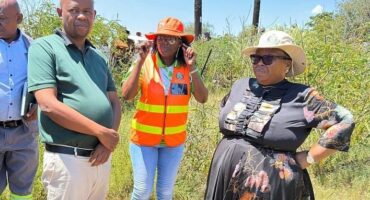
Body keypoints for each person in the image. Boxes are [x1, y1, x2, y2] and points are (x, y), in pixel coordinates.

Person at [204, 30, 355, 200]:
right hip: (225, 172)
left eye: (268, 58)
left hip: (268, 186)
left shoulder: (302, 96)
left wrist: (307, 159)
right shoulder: (241, 85)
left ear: (287, 64)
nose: (259, 63)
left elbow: (345, 120)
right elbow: (225, 108)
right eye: (255, 58)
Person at [27, 0, 121, 199]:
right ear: (60, 12)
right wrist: (100, 132)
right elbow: (48, 105)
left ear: (94, 15)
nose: (81, 16)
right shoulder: (44, 47)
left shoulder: (98, 57)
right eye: (74, 10)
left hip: (101, 158)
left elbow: (114, 102)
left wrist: (106, 144)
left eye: (87, 11)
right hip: (68, 161)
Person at [121, 17, 208, 200]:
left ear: (180, 43)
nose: (164, 43)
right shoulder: (145, 62)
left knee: (165, 193)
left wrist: (192, 68)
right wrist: (139, 61)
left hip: (173, 143)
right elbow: (127, 95)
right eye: (161, 38)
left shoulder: (187, 68)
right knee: (142, 191)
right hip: (144, 140)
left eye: (171, 39)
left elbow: (202, 98)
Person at [0, 0, 39, 199]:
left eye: (2, 18)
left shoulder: (34, 48)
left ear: (19, 18)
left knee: (22, 192)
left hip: (24, 131)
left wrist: (38, 106)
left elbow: (46, 85)